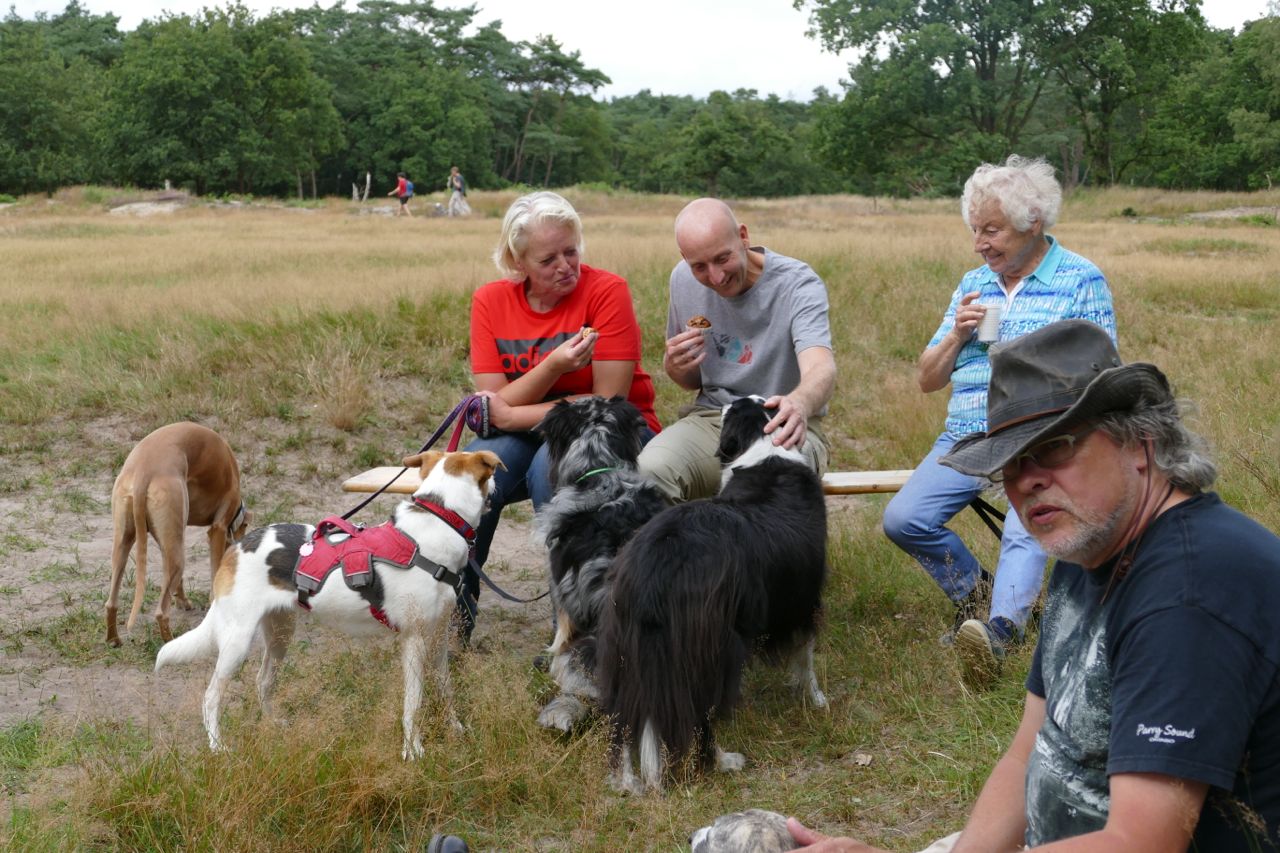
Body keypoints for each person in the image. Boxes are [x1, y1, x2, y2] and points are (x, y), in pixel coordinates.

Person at [788, 319, 1280, 852]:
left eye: (1056, 446)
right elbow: (1029, 751)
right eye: (1011, 462)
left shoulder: (1191, 595)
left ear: (1140, 445)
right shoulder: (1089, 546)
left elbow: (1140, 843)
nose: (1028, 480)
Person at [881, 155, 1115, 688]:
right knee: (904, 519)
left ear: (1033, 223)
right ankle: (978, 597)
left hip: (1038, 435)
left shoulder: (1080, 279)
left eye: (991, 230)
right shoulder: (973, 284)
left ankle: (1001, 634)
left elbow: (1103, 373)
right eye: (974, 230)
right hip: (967, 433)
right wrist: (956, 335)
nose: (979, 244)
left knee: (1026, 522)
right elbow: (927, 379)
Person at [459, 190, 660, 640]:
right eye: (548, 259)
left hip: (607, 431)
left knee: (548, 474)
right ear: (518, 261)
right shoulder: (490, 301)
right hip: (535, 426)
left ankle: (573, 636)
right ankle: (453, 619)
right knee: (471, 476)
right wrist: (553, 367)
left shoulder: (607, 291)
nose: (566, 266)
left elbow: (607, 402)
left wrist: (510, 416)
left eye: (571, 251)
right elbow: (496, 399)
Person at [636, 197, 835, 502]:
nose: (715, 277)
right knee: (651, 472)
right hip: (714, 418)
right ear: (685, 258)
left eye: (722, 258)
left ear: (743, 236)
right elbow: (692, 381)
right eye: (699, 266)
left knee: (769, 480)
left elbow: (821, 367)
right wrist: (676, 367)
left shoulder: (797, 284)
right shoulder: (682, 279)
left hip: (782, 422)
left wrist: (799, 403)